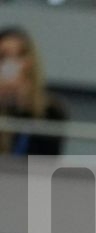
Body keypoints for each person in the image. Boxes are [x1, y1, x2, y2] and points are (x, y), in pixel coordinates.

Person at [0, 27, 69, 159]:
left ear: (32, 60)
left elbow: (47, 158)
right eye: (4, 56)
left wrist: (24, 107)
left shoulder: (52, 110)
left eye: (21, 55)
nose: (13, 64)